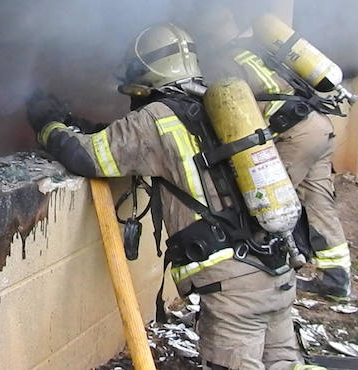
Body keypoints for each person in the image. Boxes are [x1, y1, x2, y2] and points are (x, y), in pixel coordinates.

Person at [27, 24, 319, 370]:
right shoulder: (217, 105)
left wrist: (49, 125)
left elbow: (88, 158)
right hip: (277, 268)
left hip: (234, 287)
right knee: (286, 364)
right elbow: (122, 140)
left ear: (146, 74)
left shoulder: (157, 118)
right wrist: (73, 120)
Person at [198, 8, 351, 301]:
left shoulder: (221, 62)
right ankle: (337, 278)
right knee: (319, 200)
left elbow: (222, 112)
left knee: (266, 205)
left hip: (294, 137)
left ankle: (267, 276)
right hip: (319, 126)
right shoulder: (257, 50)